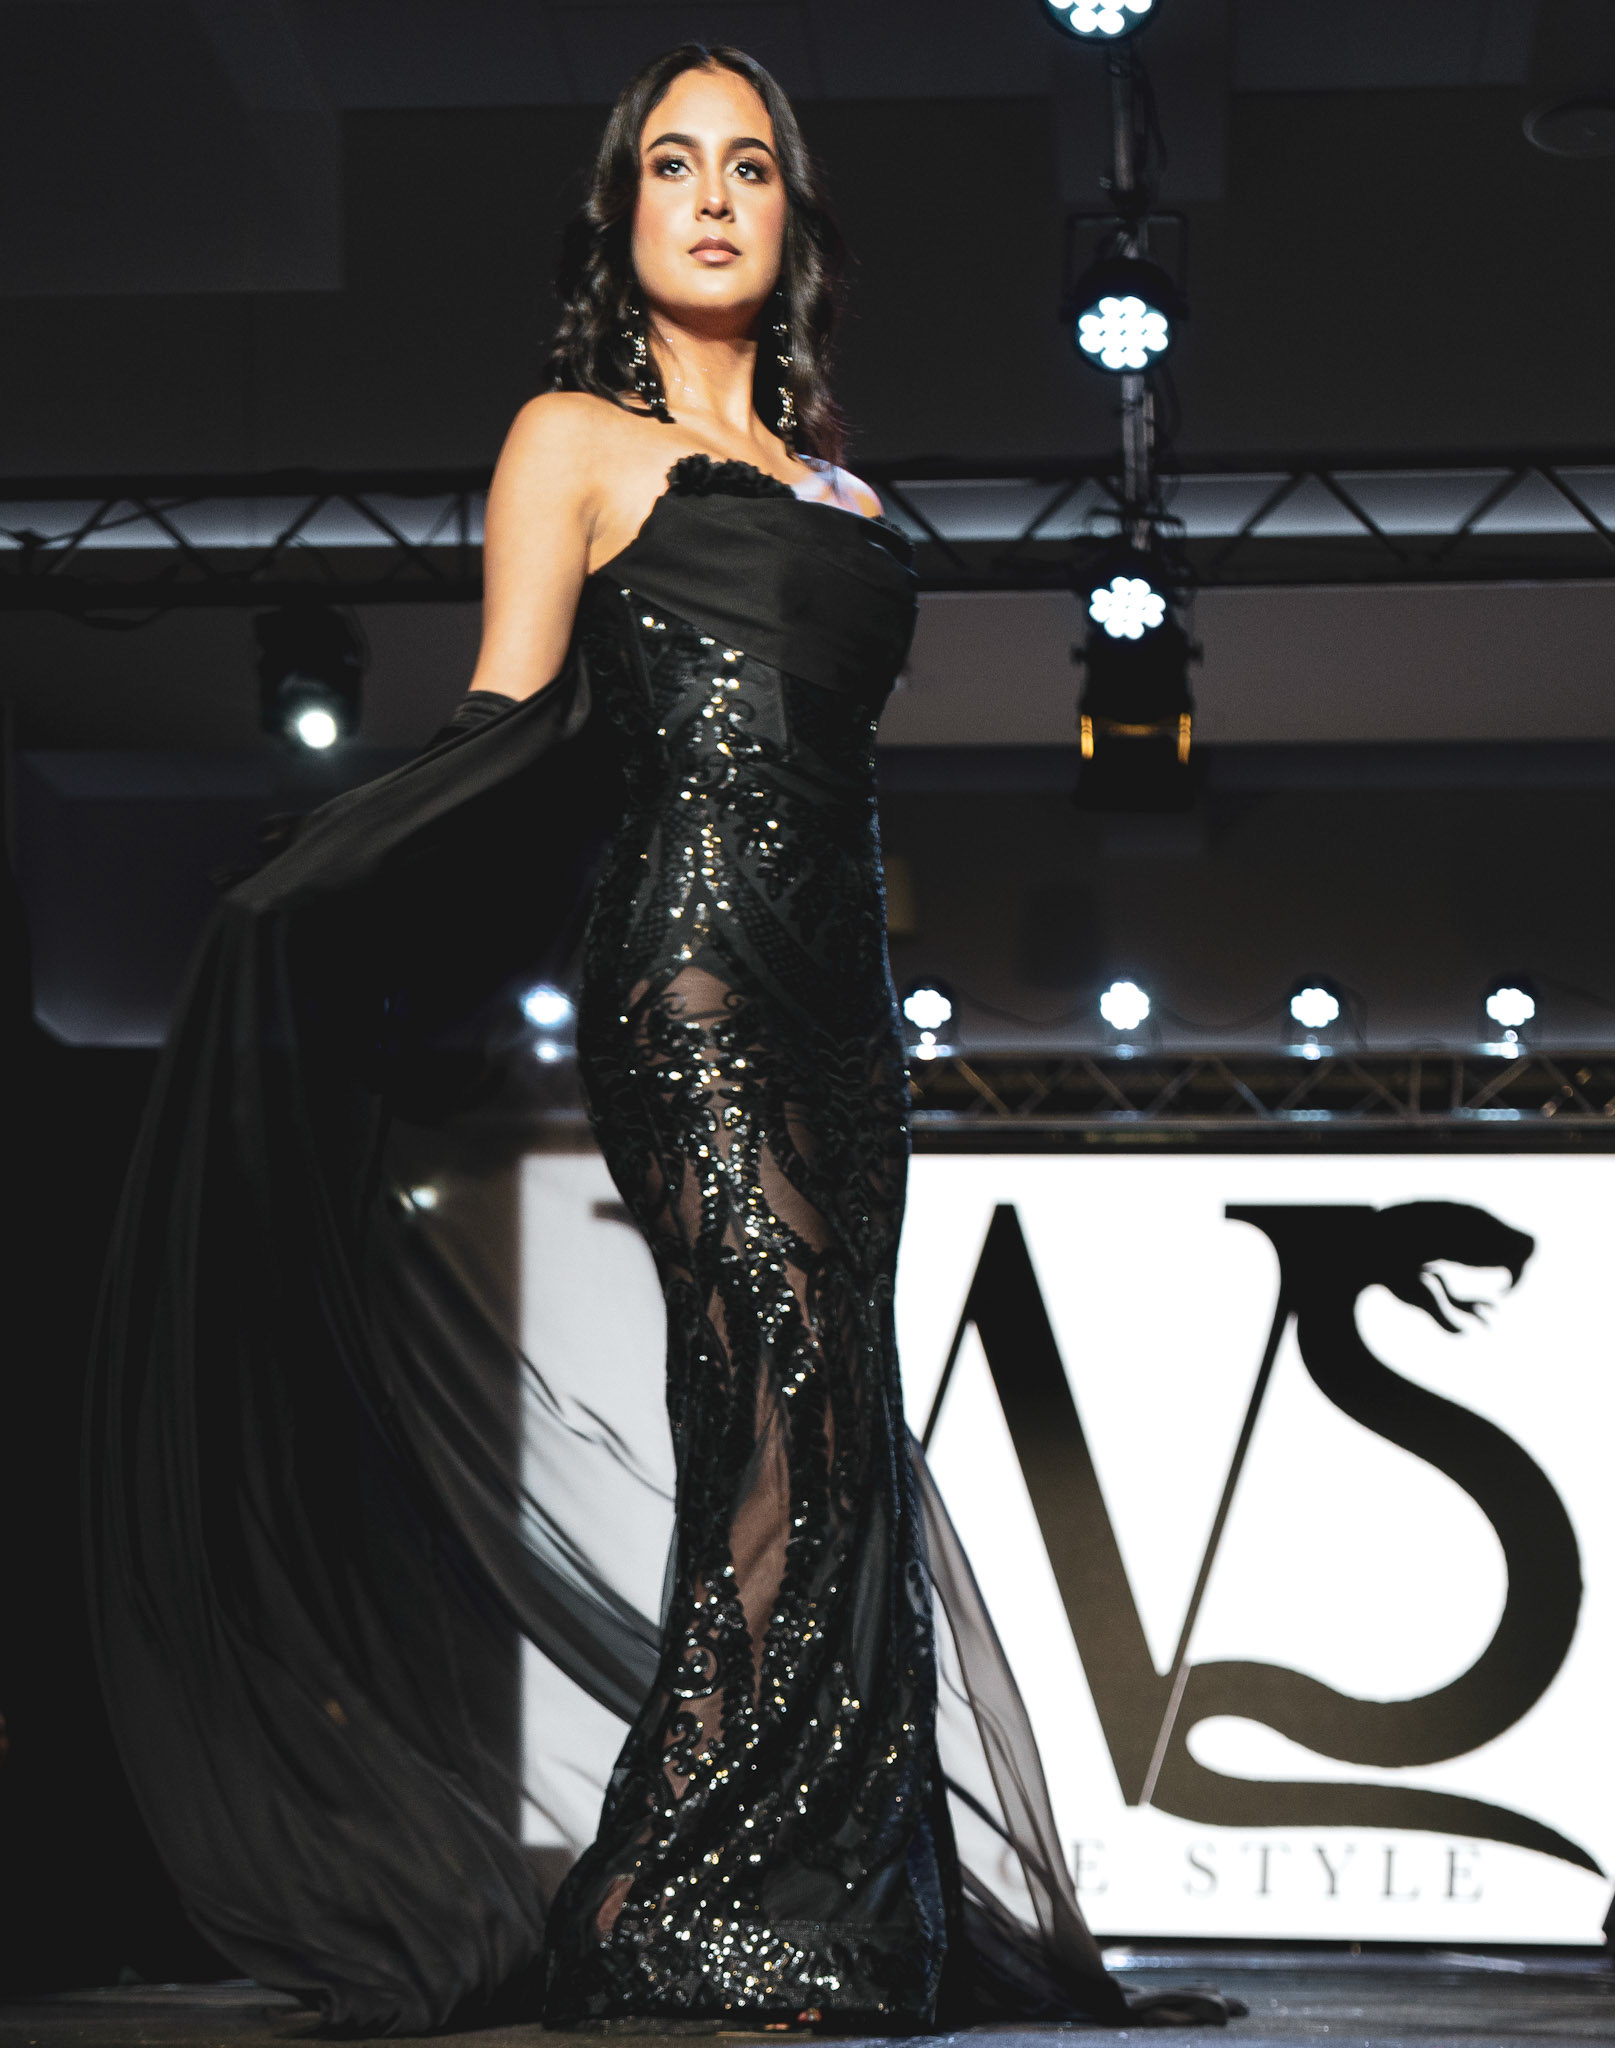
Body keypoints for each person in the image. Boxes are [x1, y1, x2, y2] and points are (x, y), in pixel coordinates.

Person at [86, 42, 1236, 2036]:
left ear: (795, 218)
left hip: (844, 1012)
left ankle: (821, 1898)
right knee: (778, 1394)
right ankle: (675, 1900)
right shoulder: (571, 440)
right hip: (688, 981)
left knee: (830, 1426)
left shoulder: (844, 485)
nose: (712, 196)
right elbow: (508, 723)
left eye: (751, 166)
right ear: (621, 213)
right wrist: (312, 879)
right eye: (674, 165)